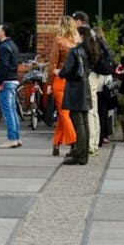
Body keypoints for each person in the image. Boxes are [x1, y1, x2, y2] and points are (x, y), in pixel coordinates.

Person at [56, 26, 93, 165]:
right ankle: (83, 153)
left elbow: (69, 70)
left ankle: (80, 154)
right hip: (85, 88)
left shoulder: (75, 51)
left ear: (81, 37)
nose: (74, 36)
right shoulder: (88, 50)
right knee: (85, 122)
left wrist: (59, 72)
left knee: (78, 123)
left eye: (76, 34)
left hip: (75, 89)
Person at [71, 11, 102, 155]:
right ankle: (94, 143)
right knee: (93, 110)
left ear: (79, 21)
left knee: (88, 110)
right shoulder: (93, 34)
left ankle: (89, 144)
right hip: (95, 74)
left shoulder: (85, 34)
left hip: (89, 75)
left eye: (74, 20)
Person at [48, 16, 77, 157]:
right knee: (64, 113)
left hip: (59, 79)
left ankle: (73, 141)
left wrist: (49, 83)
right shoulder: (76, 42)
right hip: (73, 81)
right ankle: (57, 143)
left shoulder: (58, 41)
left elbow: (52, 63)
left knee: (63, 113)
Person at [0, 23, 22, 148]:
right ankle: (17, 137)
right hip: (13, 80)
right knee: (13, 110)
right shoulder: (13, 45)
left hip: (6, 82)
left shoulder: (3, 47)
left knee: (7, 112)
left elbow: (3, 66)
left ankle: (12, 139)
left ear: (3, 32)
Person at [93, 25, 115, 147]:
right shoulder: (107, 47)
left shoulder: (96, 47)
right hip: (108, 82)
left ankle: (99, 137)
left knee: (96, 111)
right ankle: (104, 135)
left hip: (98, 82)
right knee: (104, 111)